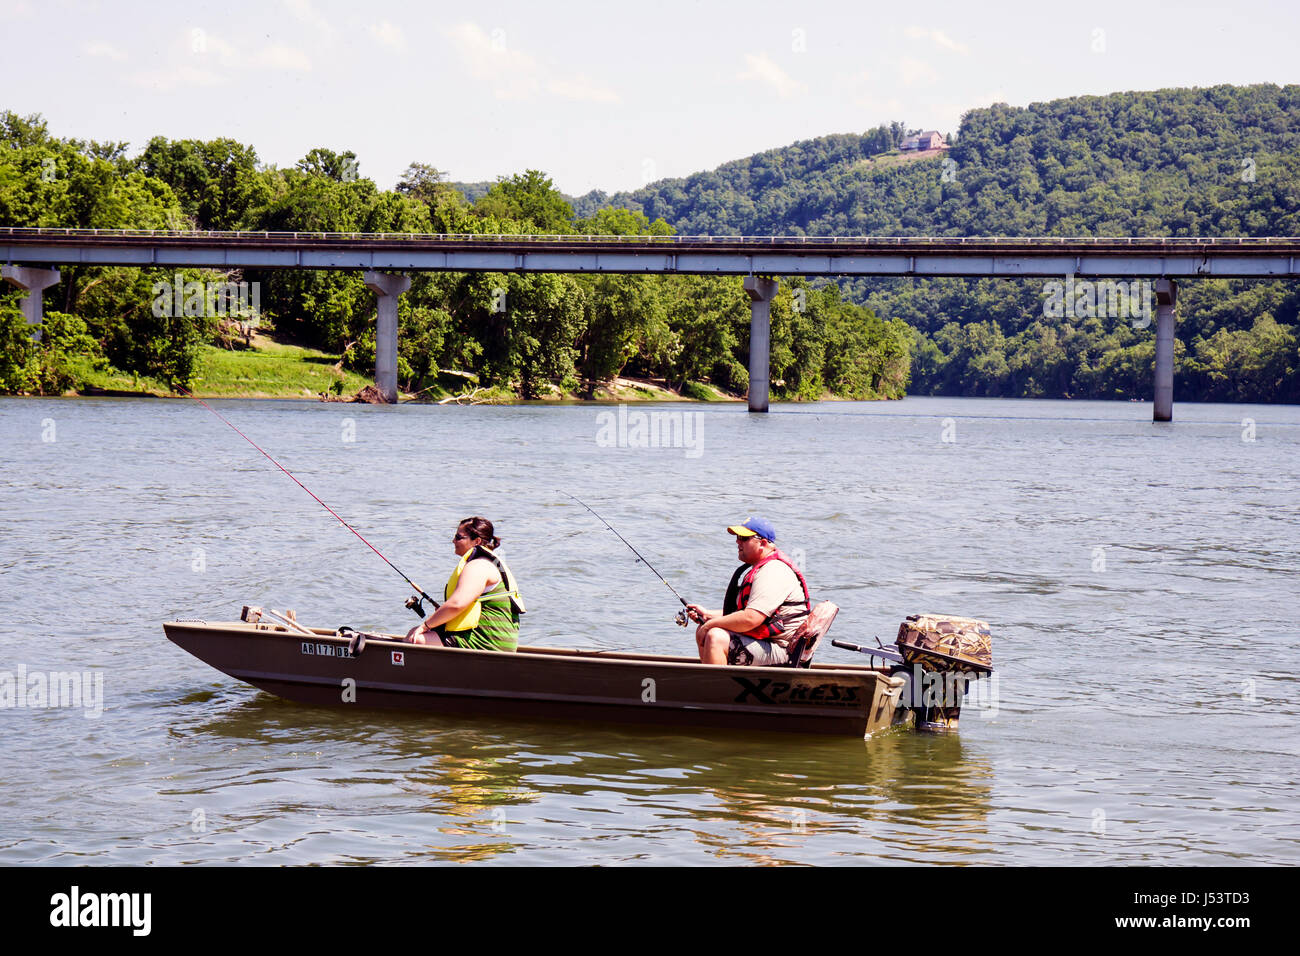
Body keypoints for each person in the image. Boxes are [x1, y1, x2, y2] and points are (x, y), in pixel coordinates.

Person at [684, 517, 810, 666]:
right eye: (738, 537)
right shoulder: (763, 568)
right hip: (768, 643)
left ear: (762, 543)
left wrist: (709, 625)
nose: (738, 542)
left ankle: (715, 687)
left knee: (715, 636)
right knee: (705, 627)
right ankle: (716, 683)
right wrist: (708, 615)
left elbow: (751, 619)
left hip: (784, 651)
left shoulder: (773, 571)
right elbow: (745, 612)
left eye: (743, 538)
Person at [405, 516, 525, 651]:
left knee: (416, 639)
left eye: (458, 537)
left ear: (477, 541)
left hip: (488, 642)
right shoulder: (487, 562)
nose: (453, 541)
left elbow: (456, 604)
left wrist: (425, 626)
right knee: (415, 633)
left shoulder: (479, 566)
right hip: (495, 639)